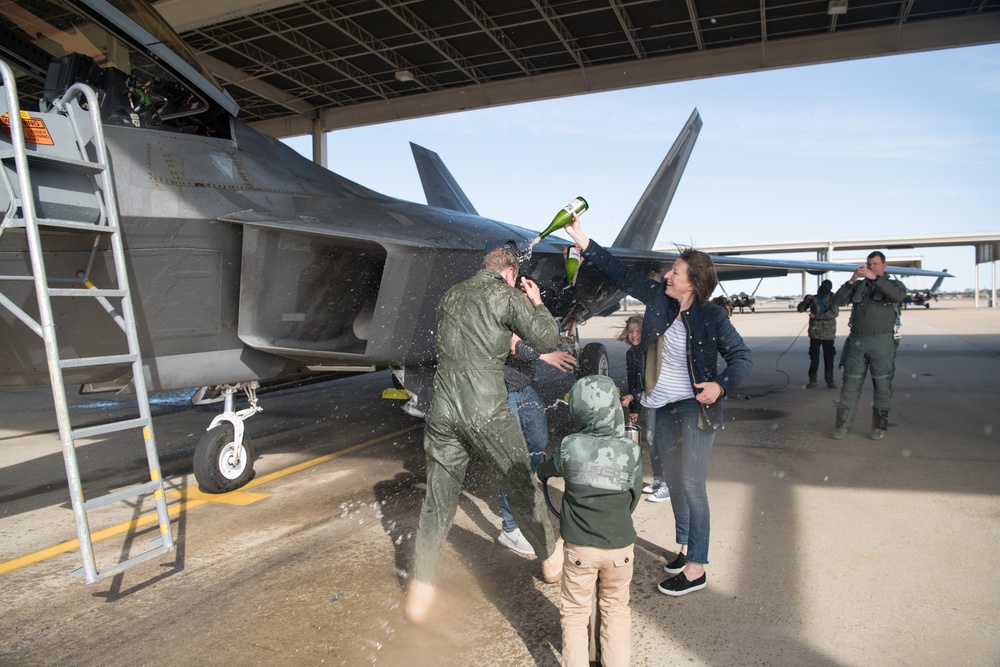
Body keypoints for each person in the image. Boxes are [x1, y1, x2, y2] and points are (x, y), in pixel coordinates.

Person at [563, 214, 752, 597]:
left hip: (694, 410)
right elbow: (619, 272)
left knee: (693, 486)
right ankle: (685, 548)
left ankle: (697, 568)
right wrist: (582, 239)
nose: (668, 275)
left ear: (693, 282)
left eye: (676, 271)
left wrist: (720, 385)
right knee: (675, 482)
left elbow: (742, 358)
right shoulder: (658, 299)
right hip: (661, 408)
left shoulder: (712, 316)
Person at [405, 241, 565, 623]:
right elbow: (547, 339)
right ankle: (551, 559)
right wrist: (536, 302)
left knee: (438, 502)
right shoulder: (505, 295)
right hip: (487, 408)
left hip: (442, 407)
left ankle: (421, 589)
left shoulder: (452, 294)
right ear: (510, 272)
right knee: (520, 484)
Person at [536, 375, 643, 667]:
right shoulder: (630, 450)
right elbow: (634, 495)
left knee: (574, 613)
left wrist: (541, 473)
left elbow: (546, 469)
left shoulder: (571, 446)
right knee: (616, 610)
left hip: (580, 551)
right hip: (620, 549)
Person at [497, 333, 576, 555]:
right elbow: (512, 344)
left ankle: (522, 499)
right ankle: (510, 528)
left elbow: (542, 334)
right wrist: (544, 355)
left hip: (525, 386)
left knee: (538, 444)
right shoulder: (503, 304)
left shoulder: (526, 306)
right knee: (513, 457)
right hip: (503, 390)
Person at [831, 251, 906, 441]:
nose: (871, 266)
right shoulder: (859, 286)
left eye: (875, 263)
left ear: (884, 265)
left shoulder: (894, 285)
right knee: (849, 386)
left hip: (882, 343)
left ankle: (879, 428)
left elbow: (897, 296)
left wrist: (877, 279)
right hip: (858, 343)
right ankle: (842, 427)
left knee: (882, 386)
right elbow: (837, 301)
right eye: (869, 264)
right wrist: (852, 280)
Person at [618, 316, 669, 502]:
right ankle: (658, 479)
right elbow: (633, 381)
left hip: (661, 399)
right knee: (651, 437)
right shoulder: (630, 354)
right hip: (648, 399)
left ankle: (667, 483)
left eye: (638, 331)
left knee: (659, 438)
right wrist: (634, 408)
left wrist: (635, 396)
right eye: (630, 331)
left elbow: (651, 381)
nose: (633, 335)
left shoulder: (651, 351)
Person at [797, 279, 839, 389]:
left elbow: (833, 314)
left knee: (829, 358)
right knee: (814, 358)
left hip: (828, 334)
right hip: (815, 333)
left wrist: (816, 316)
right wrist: (806, 300)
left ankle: (830, 380)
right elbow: (800, 309)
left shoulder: (833, 299)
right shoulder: (815, 298)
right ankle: (812, 380)